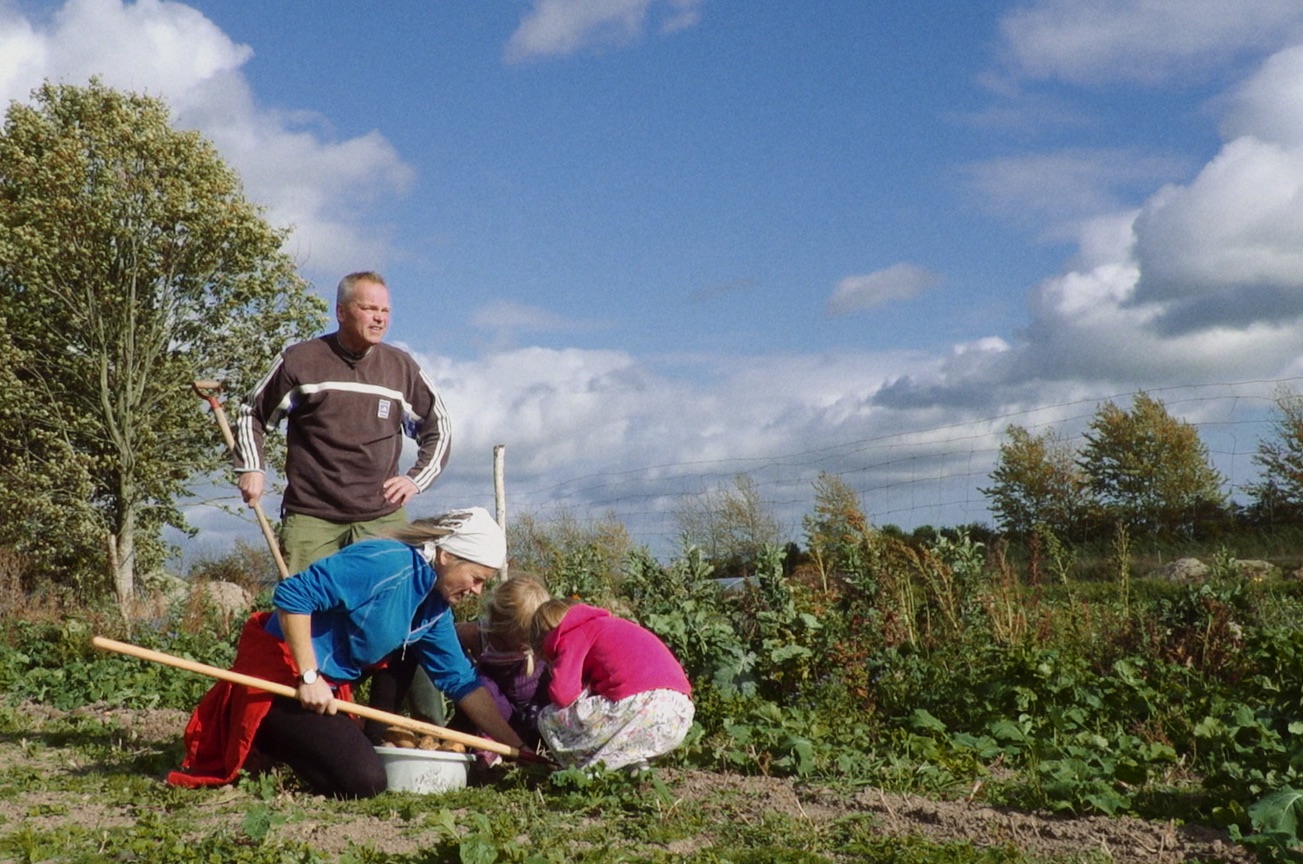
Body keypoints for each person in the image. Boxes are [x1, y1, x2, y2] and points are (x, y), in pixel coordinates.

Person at [167, 508, 530, 798]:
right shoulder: (385, 562)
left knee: (410, 651)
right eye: (476, 578)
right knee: (365, 781)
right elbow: (293, 595)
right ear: (448, 556)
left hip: (327, 683)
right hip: (282, 678)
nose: (478, 591)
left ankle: (366, 732)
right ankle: (268, 736)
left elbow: (461, 682)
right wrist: (308, 676)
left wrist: (518, 748)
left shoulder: (434, 607)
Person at [234, 271, 451, 575]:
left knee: (382, 610)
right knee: (305, 610)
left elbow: (439, 427)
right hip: (312, 517)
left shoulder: (401, 367)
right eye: (369, 309)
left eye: (385, 311)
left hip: (381, 518)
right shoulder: (301, 360)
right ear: (340, 311)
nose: (379, 319)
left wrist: (416, 480)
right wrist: (252, 468)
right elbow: (252, 413)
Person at [530, 599, 694, 773]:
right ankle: (631, 763)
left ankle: (585, 770)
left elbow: (563, 694)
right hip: (679, 713)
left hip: (641, 705)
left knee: (549, 718)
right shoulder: (610, 624)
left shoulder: (571, 634)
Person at [450, 573, 552, 751]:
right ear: (501, 624)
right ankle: (481, 745)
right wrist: (465, 666)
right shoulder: (482, 635)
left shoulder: (541, 641)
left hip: (533, 711)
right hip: (496, 710)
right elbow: (446, 639)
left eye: (532, 638)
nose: (527, 644)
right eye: (522, 638)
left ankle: (539, 748)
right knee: (480, 684)